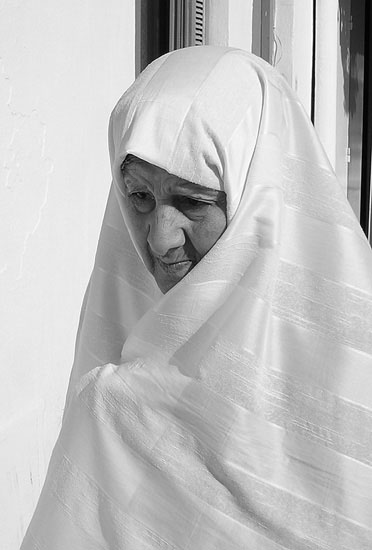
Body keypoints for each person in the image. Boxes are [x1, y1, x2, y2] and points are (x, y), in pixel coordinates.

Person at [21, 46, 372, 549]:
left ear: (259, 200)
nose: (159, 238)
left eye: (193, 201)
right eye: (139, 198)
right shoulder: (110, 412)